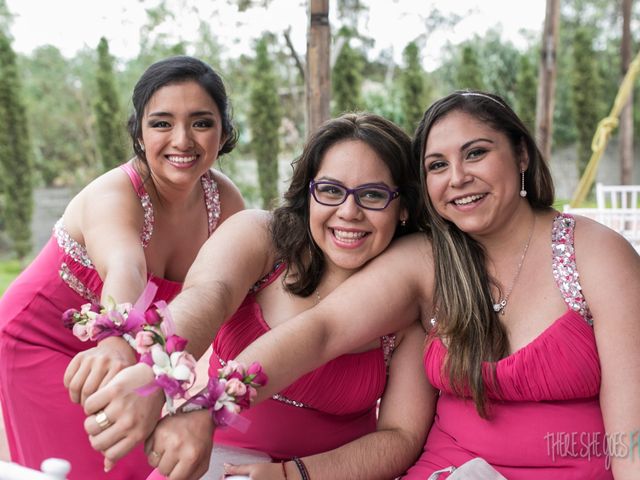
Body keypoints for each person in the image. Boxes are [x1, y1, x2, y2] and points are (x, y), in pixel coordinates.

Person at [85, 91, 640, 479]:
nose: (458, 177)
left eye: (476, 153)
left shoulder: (593, 253)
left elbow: (631, 437)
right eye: (438, 164)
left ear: (520, 153)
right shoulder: (425, 259)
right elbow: (318, 329)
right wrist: (197, 396)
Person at [78, 112, 434, 480]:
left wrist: (292, 475)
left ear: (403, 206)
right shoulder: (262, 238)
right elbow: (207, 295)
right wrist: (156, 373)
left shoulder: (407, 303)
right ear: (308, 193)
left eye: (373, 195)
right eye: (330, 190)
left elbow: (401, 436)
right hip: (211, 459)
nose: (348, 212)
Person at [0, 55, 244, 479]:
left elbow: (230, 294)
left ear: (224, 131)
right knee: (99, 464)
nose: (182, 140)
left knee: (155, 459)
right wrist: (116, 341)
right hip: (40, 340)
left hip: (134, 351)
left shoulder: (225, 203)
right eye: (162, 123)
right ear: (139, 131)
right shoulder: (116, 193)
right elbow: (126, 267)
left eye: (201, 122)